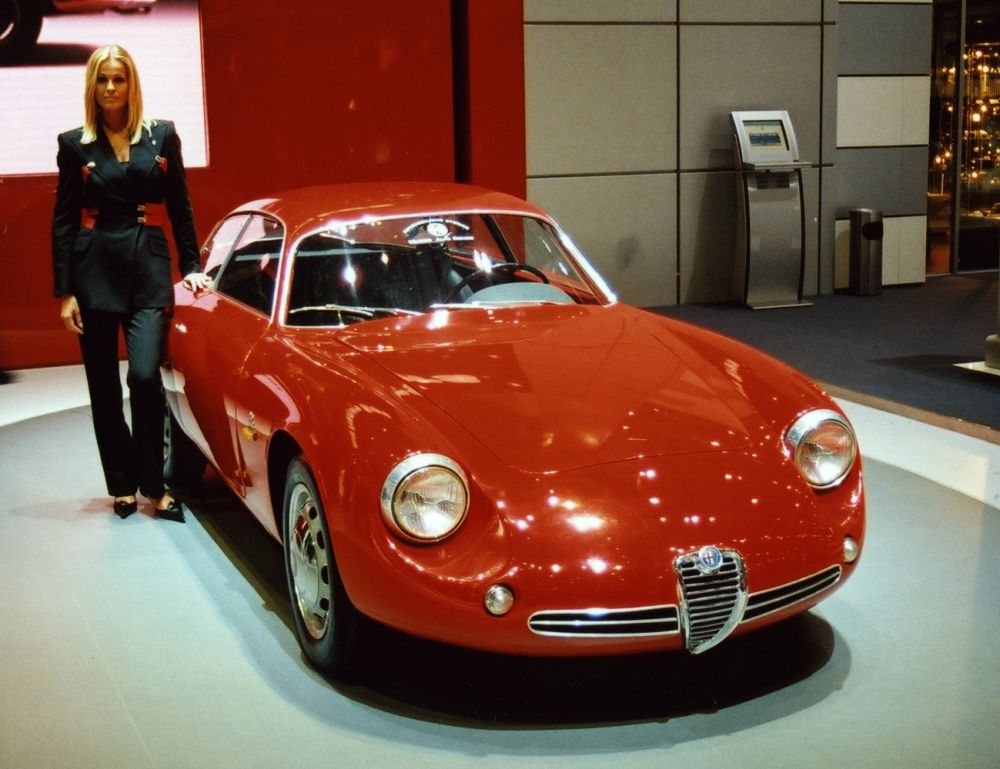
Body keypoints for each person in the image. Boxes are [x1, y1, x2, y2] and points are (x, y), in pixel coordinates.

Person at [52, 44, 210, 522]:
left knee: (143, 377)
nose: (111, 88)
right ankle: (121, 487)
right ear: (92, 87)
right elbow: (63, 220)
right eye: (102, 80)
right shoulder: (74, 143)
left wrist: (192, 264)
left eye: (119, 79)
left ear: (131, 83)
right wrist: (65, 292)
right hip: (93, 268)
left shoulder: (161, 136)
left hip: (147, 266)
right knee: (102, 386)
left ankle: (153, 483)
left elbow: (180, 205)